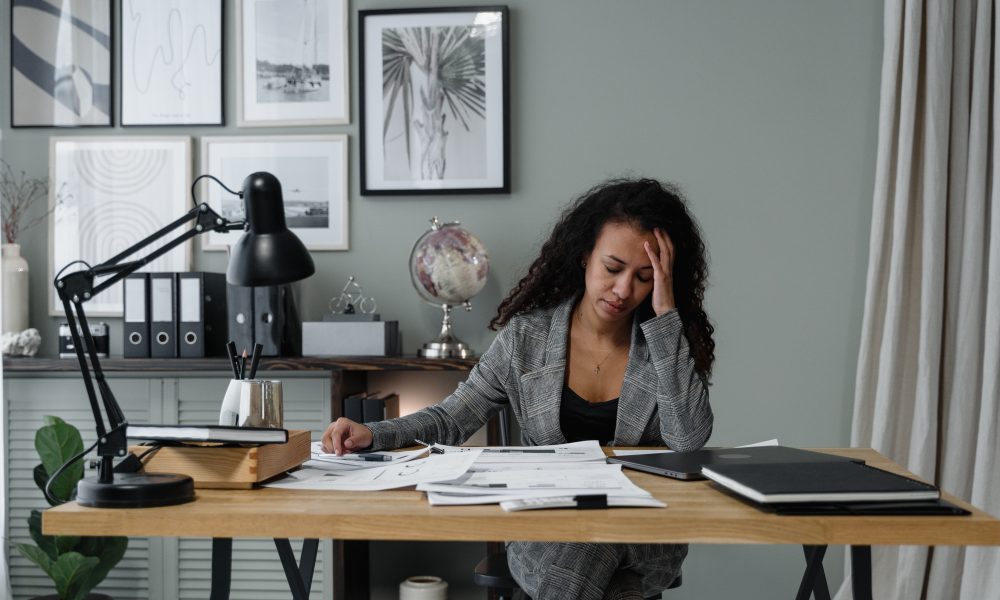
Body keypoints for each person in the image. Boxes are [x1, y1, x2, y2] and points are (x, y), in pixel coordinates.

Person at [322, 178, 715, 600]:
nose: (623, 290)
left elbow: (688, 439)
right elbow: (453, 418)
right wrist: (375, 434)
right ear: (586, 255)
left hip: (638, 534)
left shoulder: (664, 341)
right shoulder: (526, 338)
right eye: (613, 268)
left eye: (643, 277)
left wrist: (665, 314)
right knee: (610, 585)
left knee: (593, 552)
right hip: (546, 529)